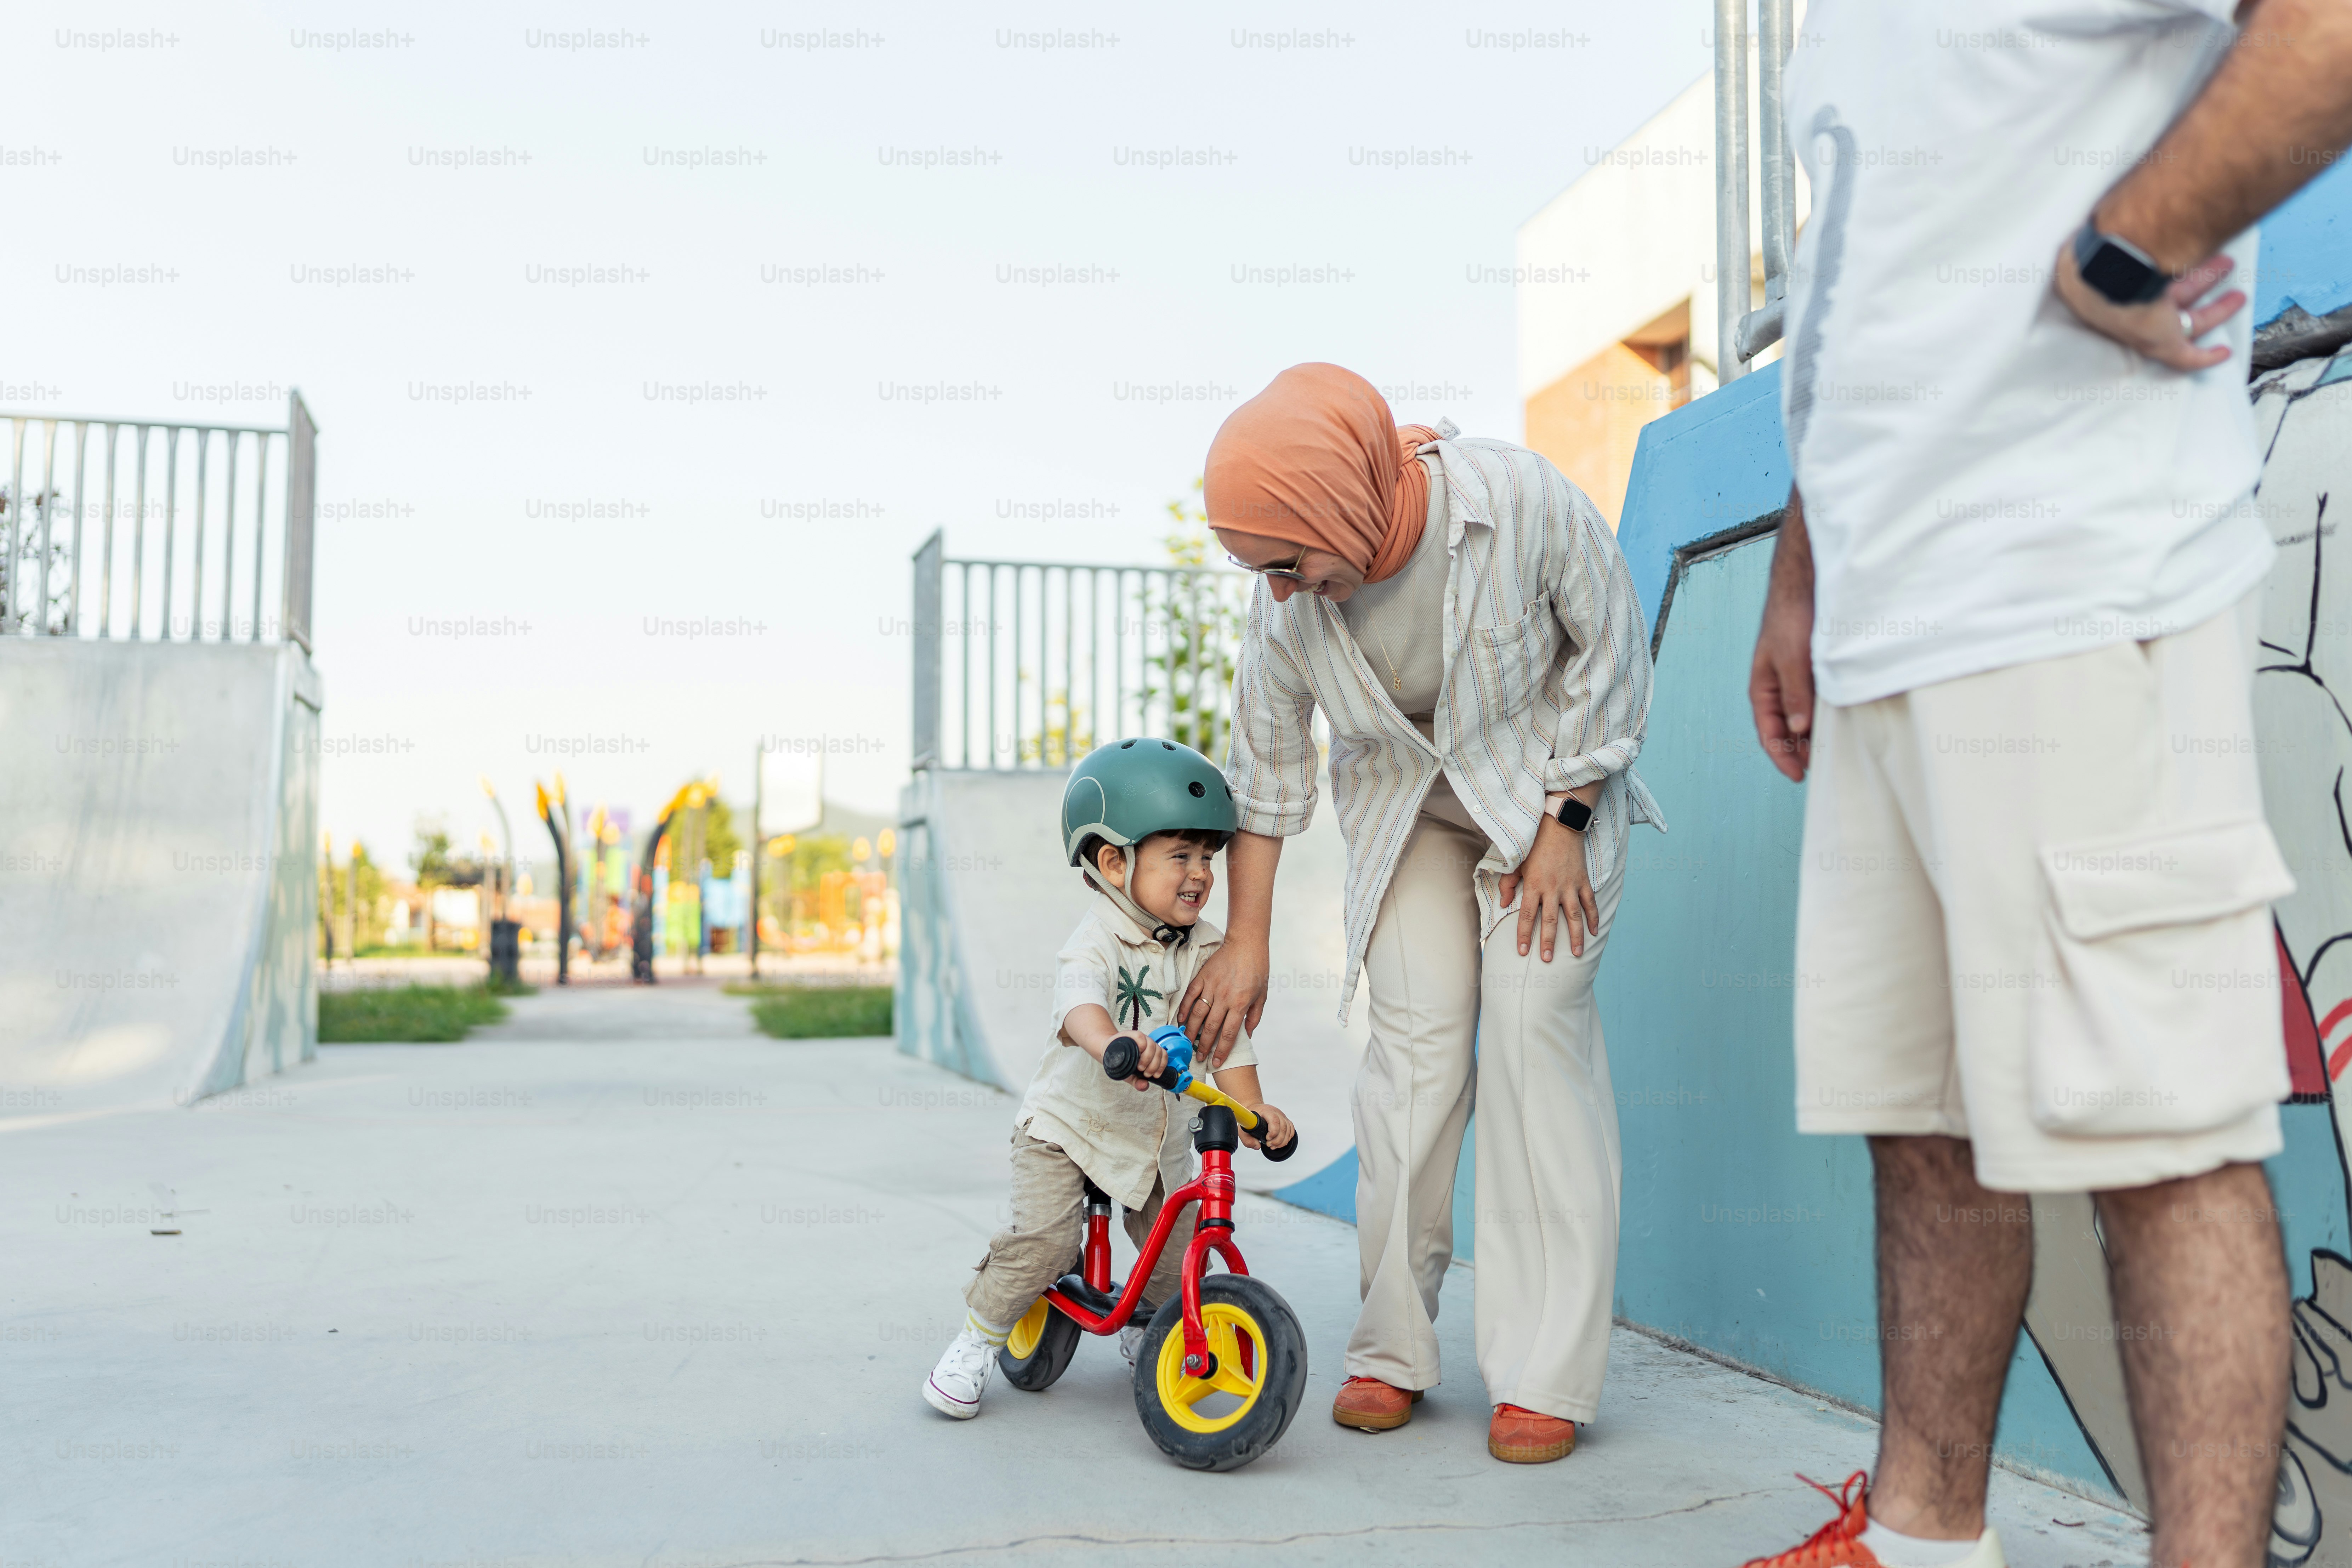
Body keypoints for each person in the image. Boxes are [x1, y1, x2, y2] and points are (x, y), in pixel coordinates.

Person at [1744, 1, 2352, 1564]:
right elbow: (1858, 272)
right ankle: (1918, 1538)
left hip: (2076, 580)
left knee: (2159, 1137)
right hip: (1891, 620)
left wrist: (2126, 248)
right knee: (1923, 1122)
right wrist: (1802, 578)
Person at [1176, 362, 1661, 1464]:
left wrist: (1564, 824)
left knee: (1537, 1043)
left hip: (1549, 804)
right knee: (1414, 1059)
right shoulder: (1287, 611)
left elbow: (1614, 651)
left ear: (1337, 501)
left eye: (1290, 561)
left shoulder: (1518, 502)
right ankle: (1391, 1348)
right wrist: (1244, 942)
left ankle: (1543, 1373)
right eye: (1266, 572)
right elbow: (1265, 770)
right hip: (1408, 819)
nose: (1284, 590)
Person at [922, 738, 1295, 1420]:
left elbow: (1228, 1042)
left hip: (1153, 1143)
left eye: (1207, 857)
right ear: (1113, 861)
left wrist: (1256, 1110)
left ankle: (1153, 1334)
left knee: (1177, 1249)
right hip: (1068, 1128)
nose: (1201, 874)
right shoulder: (1095, 938)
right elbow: (1079, 1008)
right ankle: (976, 1341)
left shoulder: (1208, 949)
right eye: (1179, 856)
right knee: (1046, 1244)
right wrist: (1114, 1042)